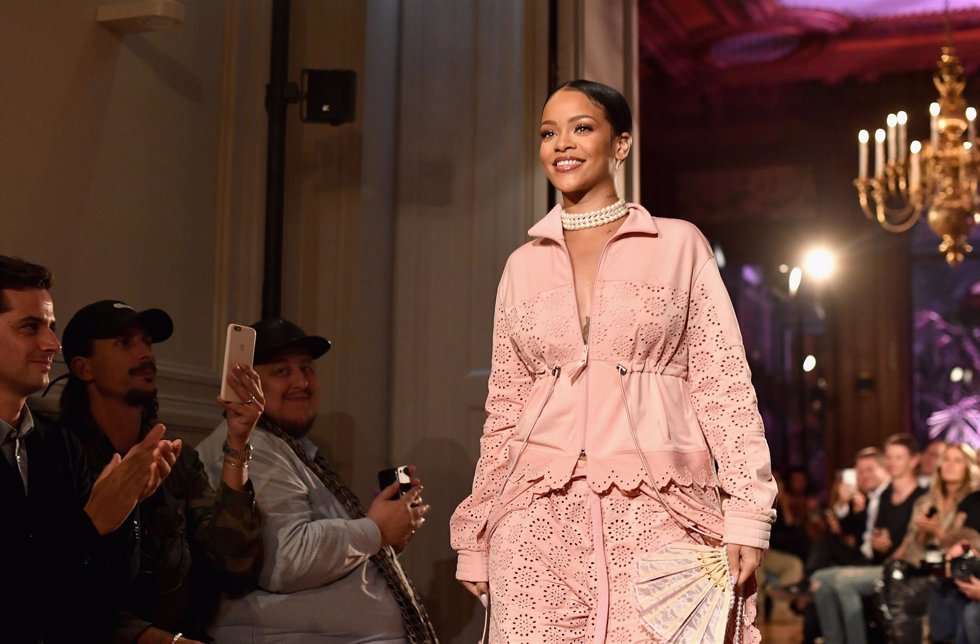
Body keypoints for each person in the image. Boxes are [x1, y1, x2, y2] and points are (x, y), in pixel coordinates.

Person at [449, 79, 777, 642]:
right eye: (549, 133)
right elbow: (503, 408)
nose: (562, 144)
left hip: (660, 509)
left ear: (620, 144)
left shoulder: (678, 245)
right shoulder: (521, 265)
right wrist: (476, 533)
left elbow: (724, 386)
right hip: (534, 517)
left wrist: (749, 510)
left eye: (582, 128)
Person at [196, 317, 437, 643]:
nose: (301, 382)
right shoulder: (250, 447)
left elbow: (325, 556)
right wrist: (376, 531)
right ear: (243, 383)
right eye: (282, 371)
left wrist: (388, 532)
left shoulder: (294, 448)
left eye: (307, 369)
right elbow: (288, 560)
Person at [59, 299, 264, 644]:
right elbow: (60, 588)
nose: (146, 355)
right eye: (125, 343)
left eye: (147, 343)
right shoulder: (60, 456)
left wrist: (238, 441)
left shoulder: (174, 456)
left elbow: (234, 565)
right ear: (84, 368)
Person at [0, 255, 178, 643]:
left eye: (50, 326)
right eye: (30, 327)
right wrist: (93, 521)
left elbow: (101, 595)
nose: (51, 343)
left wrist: (126, 504)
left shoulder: (56, 443)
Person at [811, 433, 927, 644]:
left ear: (914, 460)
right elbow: (877, 539)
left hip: (903, 569)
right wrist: (879, 544)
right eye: (889, 457)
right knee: (820, 580)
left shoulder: (922, 497)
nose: (891, 462)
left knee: (842, 583)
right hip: (881, 563)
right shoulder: (885, 495)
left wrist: (888, 549)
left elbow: (913, 544)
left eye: (898, 457)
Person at [880, 443, 979, 643]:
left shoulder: (971, 501)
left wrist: (938, 532)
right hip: (926, 565)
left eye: (957, 460)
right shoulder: (926, 501)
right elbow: (911, 548)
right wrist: (923, 533)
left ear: (969, 467)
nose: (950, 465)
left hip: (953, 569)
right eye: (946, 460)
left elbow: (966, 543)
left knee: (936, 584)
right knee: (895, 577)